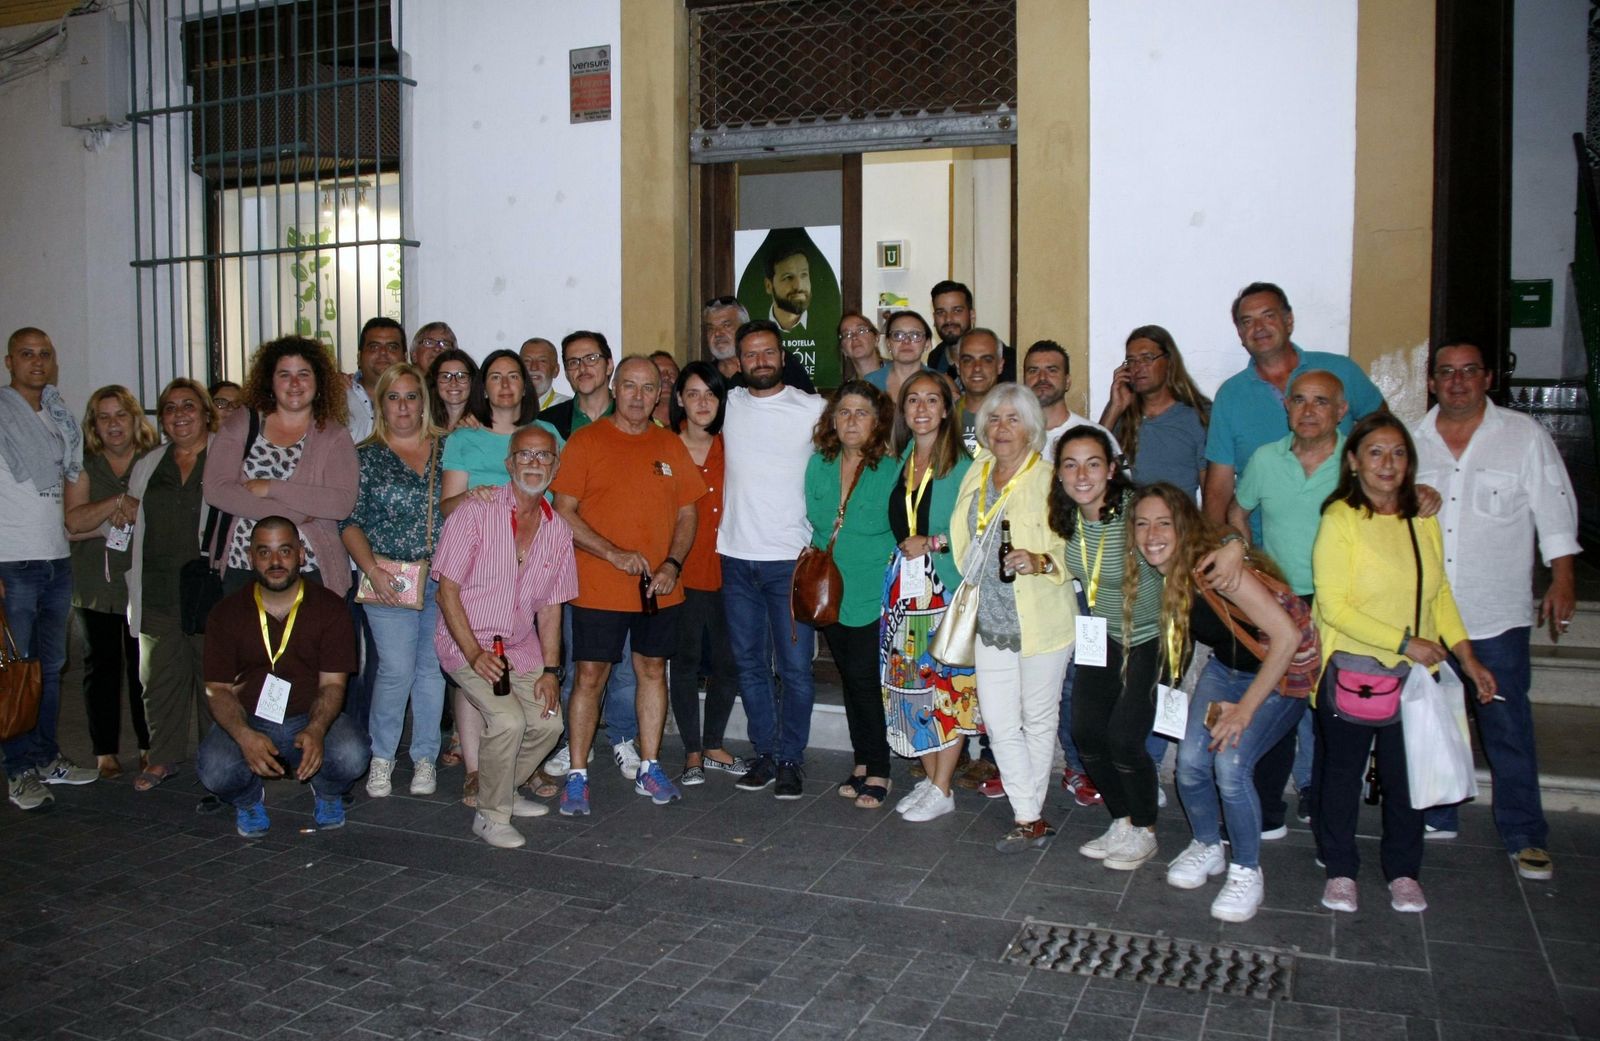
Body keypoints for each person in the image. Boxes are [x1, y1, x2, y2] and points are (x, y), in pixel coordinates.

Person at [1312, 413, 1497, 914]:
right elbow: (1335, 607)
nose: (1387, 463)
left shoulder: (1422, 518)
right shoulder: (1341, 520)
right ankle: (1340, 869)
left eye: (1397, 453)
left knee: (1407, 777)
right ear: (1353, 461)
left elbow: (1439, 598)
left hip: (1415, 678)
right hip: (1354, 673)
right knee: (1341, 778)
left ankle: (1403, 871)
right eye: (1375, 452)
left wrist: (1467, 657)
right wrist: (1404, 642)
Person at [1411, 341, 1579, 880]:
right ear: (1432, 381)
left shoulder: (1523, 437)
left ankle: (1524, 831)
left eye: (1469, 372)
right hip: (1429, 613)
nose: (1457, 381)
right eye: (1446, 373)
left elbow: (1554, 509)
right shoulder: (1410, 442)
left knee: (1506, 721)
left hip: (1494, 611)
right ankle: (1438, 812)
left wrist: (1563, 577)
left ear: (1487, 379)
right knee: (1432, 717)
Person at [1051, 426, 1246, 870]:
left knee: (1124, 737)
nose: (1082, 474)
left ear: (1112, 468)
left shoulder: (1136, 510)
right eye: (1070, 464)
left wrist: (1234, 543)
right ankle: (1122, 819)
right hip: (1102, 636)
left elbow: (1202, 532)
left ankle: (1146, 828)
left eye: (1093, 463)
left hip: (1154, 637)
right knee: (1085, 735)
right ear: (1059, 474)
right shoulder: (1066, 518)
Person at [1128, 484, 1305, 923]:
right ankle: (1207, 845)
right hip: (1226, 669)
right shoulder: (1174, 571)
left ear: (1184, 526)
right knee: (1189, 760)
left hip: (1281, 674)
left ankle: (1247, 870)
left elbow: (1287, 639)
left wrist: (1244, 710)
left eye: (1164, 523)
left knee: (1230, 765)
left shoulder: (1218, 570)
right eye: (1142, 523)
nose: (1152, 534)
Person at [551, 357, 705, 814]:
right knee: (590, 677)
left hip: (659, 588)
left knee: (653, 671)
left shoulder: (669, 445)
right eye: (630, 386)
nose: (638, 396)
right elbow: (563, 510)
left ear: (660, 393)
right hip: (599, 586)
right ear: (615, 388)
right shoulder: (586, 441)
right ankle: (577, 774)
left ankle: (650, 765)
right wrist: (612, 553)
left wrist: (673, 564)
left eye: (649, 388)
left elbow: (687, 511)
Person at [434, 426, 575, 848]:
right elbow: (447, 592)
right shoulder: (475, 512)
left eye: (544, 456)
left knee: (549, 723)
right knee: (509, 720)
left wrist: (551, 669)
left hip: (519, 644)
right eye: (526, 455)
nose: (535, 463)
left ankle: (504, 791)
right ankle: (491, 815)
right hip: (466, 640)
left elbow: (551, 607)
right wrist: (474, 653)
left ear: (556, 465)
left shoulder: (558, 531)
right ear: (509, 463)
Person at [949, 384, 1072, 851]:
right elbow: (961, 534)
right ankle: (1030, 811)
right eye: (995, 419)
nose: (1002, 428)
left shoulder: (1049, 477)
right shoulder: (977, 472)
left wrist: (1039, 560)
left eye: (1013, 419)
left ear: (1032, 427)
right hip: (990, 618)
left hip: (1041, 618)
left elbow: (1071, 545)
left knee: (1038, 720)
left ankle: (1027, 816)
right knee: (999, 722)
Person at [196, 517, 367, 838]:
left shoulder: (329, 608)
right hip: (249, 718)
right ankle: (248, 800)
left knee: (352, 754)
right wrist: (243, 735)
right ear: (251, 557)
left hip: (310, 716)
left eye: (285, 551)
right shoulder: (226, 612)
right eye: (264, 552)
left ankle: (328, 794)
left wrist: (317, 729)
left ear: (301, 555)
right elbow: (217, 689)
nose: (275, 562)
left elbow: (333, 684)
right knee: (214, 769)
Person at [1231, 369, 1349, 832]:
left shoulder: (1355, 461)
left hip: (1340, 601)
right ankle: (1268, 812)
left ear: (1340, 411)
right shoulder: (1265, 459)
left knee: (1331, 711)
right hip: (1282, 601)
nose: (1308, 410)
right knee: (1279, 700)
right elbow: (1237, 511)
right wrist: (1253, 571)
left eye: (1321, 401)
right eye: (1299, 400)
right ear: (1287, 407)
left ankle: (1323, 804)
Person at [720, 320, 826, 798]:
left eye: (768, 353)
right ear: (738, 362)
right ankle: (764, 752)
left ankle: (790, 759)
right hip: (736, 558)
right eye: (751, 354)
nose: (760, 361)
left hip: (790, 562)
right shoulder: (729, 404)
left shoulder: (814, 410)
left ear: (782, 357)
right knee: (749, 664)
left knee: (796, 668)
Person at [341, 363, 446, 799]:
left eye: (411, 395)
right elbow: (349, 522)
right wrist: (372, 570)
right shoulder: (364, 456)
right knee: (395, 672)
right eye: (393, 397)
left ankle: (425, 758)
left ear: (424, 401)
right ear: (381, 404)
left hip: (443, 578)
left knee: (431, 672)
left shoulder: (448, 450)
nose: (403, 406)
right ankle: (382, 758)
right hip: (389, 579)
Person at [1, 327, 96, 810]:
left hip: (56, 559)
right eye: (26, 354)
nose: (37, 362)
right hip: (11, 561)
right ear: (9, 362)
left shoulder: (60, 417)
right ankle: (16, 769)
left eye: (44, 354)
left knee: (51, 668)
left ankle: (44, 757)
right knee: (15, 673)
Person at [1203, 282, 1385, 531]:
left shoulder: (1341, 371)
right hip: (1264, 552)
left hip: (1347, 539)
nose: (1258, 328)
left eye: (1268, 316)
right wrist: (1214, 544)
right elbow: (1219, 486)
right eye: (1247, 321)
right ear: (1240, 334)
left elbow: (1384, 434)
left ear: (1289, 321)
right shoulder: (1230, 395)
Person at [882, 372, 975, 821]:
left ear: (946, 409)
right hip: (908, 594)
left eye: (931, 400)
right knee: (913, 688)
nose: (921, 409)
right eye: (912, 400)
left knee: (946, 689)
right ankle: (929, 778)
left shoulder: (963, 464)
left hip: (947, 590)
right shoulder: (902, 460)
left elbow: (978, 531)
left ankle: (942, 787)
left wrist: (934, 543)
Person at [202, 335, 358, 597]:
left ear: (318, 382)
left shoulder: (334, 436)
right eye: (284, 374)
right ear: (270, 382)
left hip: (312, 568)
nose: (295, 383)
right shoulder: (243, 423)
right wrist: (292, 516)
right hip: (243, 565)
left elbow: (341, 503)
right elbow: (216, 490)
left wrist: (271, 487)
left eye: (304, 374)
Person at [804, 380, 899, 810]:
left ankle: (879, 768)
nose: (852, 420)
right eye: (844, 412)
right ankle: (862, 761)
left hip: (871, 588)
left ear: (877, 422)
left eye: (862, 412)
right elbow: (817, 520)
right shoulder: (819, 464)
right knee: (850, 678)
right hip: (829, 588)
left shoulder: (892, 469)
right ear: (832, 420)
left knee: (864, 681)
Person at [124, 379, 217, 792]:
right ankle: (162, 757)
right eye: (170, 408)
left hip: (207, 591)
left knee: (214, 679)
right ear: (161, 419)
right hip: (157, 588)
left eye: (189, 406)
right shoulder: (149, 464)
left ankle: (219, 760)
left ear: (206, 412)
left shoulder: (224, 458)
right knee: (159, 679)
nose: (180, 414)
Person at [64, 385, 159, 778]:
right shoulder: (84, 465)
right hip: (95, 584)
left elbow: (163, 520)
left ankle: (148, 745)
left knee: (145, 668)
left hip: (143, 581)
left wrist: (98, 519)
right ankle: (104, 752)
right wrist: (116, 505)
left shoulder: (155, 461)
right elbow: (72, 522)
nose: (113, 424)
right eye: (104, 417)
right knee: (99, 668)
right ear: (94, 425)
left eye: (120, 415)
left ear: (135, 419)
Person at [665, 363, 752, 784]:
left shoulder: (732, 444)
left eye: (711, 395)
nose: (702, 402)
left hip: (730, 568)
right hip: (680, 570)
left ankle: (714, 743)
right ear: (679, 397)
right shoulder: (663, 447)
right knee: (683, 663)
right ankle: (692, 752)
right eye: (693, 393)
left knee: (729, 662)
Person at [1099, 325, 1211, 497]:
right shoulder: (1121, 412)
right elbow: (1092, 459)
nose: (1138, 367)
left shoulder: (1198, 415)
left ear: (1169, 362)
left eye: (1147, 358)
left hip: (1180, 520)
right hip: (1130, 520)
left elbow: (1212, 490)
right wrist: (1115, 408)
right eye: (1132, 361)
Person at [1024, 340, 1118, 460]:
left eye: (1052, 370)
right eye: (1033, 371)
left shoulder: (1097, 435)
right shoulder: (1007, 436)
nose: (1042, 377)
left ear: (1067, 381)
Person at [703, 296, 815, 393]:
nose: (717, 333)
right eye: (710, 328)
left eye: (726, 325)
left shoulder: (778, 365)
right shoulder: (704, 375)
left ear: (744, 328)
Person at [927, 280, 1016, 384]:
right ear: (934, 318)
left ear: (972, 315)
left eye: (957, 310)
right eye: (941, 312)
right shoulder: (935, 359)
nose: (948, 319)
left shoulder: (1006, 358)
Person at [541, 331, 615, 439]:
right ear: (567, 374)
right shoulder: (546, 423)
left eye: (591, 359)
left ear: (609, 366)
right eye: (573, 362)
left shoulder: (633, 417)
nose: (582, 368)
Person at [345, 317, 406, 443]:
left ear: (405, 358)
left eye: (392, 347)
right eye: (374, 347)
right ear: (359, 357)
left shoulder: (419, 400)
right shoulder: (336, 396)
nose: (383, 352)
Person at [869, 310, 940, 405]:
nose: (906, 341)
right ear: (888, 343)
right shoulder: (870, 382)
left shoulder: (939, 382)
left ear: (927, 344)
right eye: (898, 335)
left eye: (915, 335)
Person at [956, 329, 1006, 453]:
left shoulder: (1016, 418)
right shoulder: (944, 417)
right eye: (968, 360)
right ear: (958, 366)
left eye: (987, 360)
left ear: (1000, 365)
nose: (977, 367)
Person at [426, 349, 477, 433]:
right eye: (445, 376)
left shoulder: (483, 423)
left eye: (461, 376)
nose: (453, 383)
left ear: (472, 381)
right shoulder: (424, 423)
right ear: (435, 382)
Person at [520, 337, 570, 412]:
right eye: (527, 361)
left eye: (542, 361)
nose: (534, 367)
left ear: (556, 370)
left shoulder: (569, 408)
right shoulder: (505, 406)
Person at [837, 311, 884, 384]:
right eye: (847, 334)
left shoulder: (898, 374)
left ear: (876, 338)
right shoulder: (849, 390)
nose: (854, 337)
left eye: (861, 330)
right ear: (843, 350)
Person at [650, 351, 680, 427]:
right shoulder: (637, 422)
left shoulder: (690, 422)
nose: (666, 377)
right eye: (658, 372)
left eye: (671, 373)